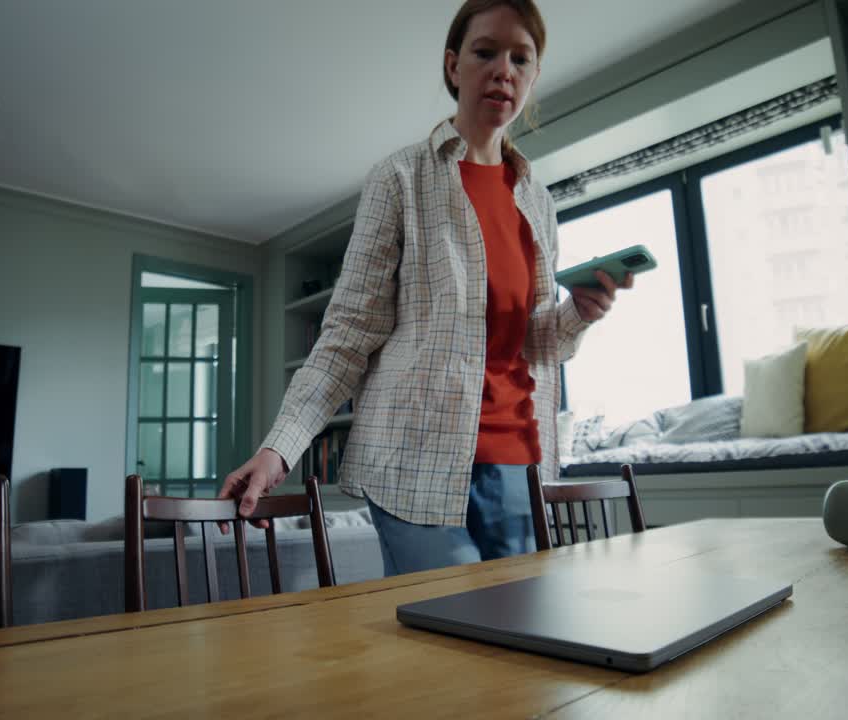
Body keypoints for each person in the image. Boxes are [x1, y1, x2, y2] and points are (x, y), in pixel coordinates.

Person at [218, 0, 632, 576]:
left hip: (519, 460)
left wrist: (579, 312)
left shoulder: (538, 202)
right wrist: (278, 448)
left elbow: (538, 344)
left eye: (520, 58)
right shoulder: (401, 178)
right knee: (453, 632)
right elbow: (346, 336)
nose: (503, 70)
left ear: (533, 77)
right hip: (414, 459)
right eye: (485, 52)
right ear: (453, 65)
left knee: (520, 645)